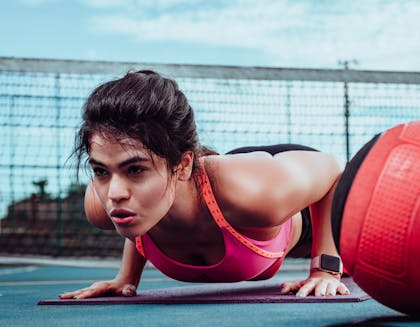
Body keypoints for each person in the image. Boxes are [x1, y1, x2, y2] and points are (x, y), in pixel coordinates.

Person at [60, 70, 349, 300]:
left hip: (291, 210)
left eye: (135, 170)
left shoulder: (258, 195)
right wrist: (126, 278)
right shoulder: (103, 204)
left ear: (182, 165)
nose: (114, 193)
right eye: (100, 171)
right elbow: (141, 213)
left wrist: (325, 269)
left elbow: (334, 170)